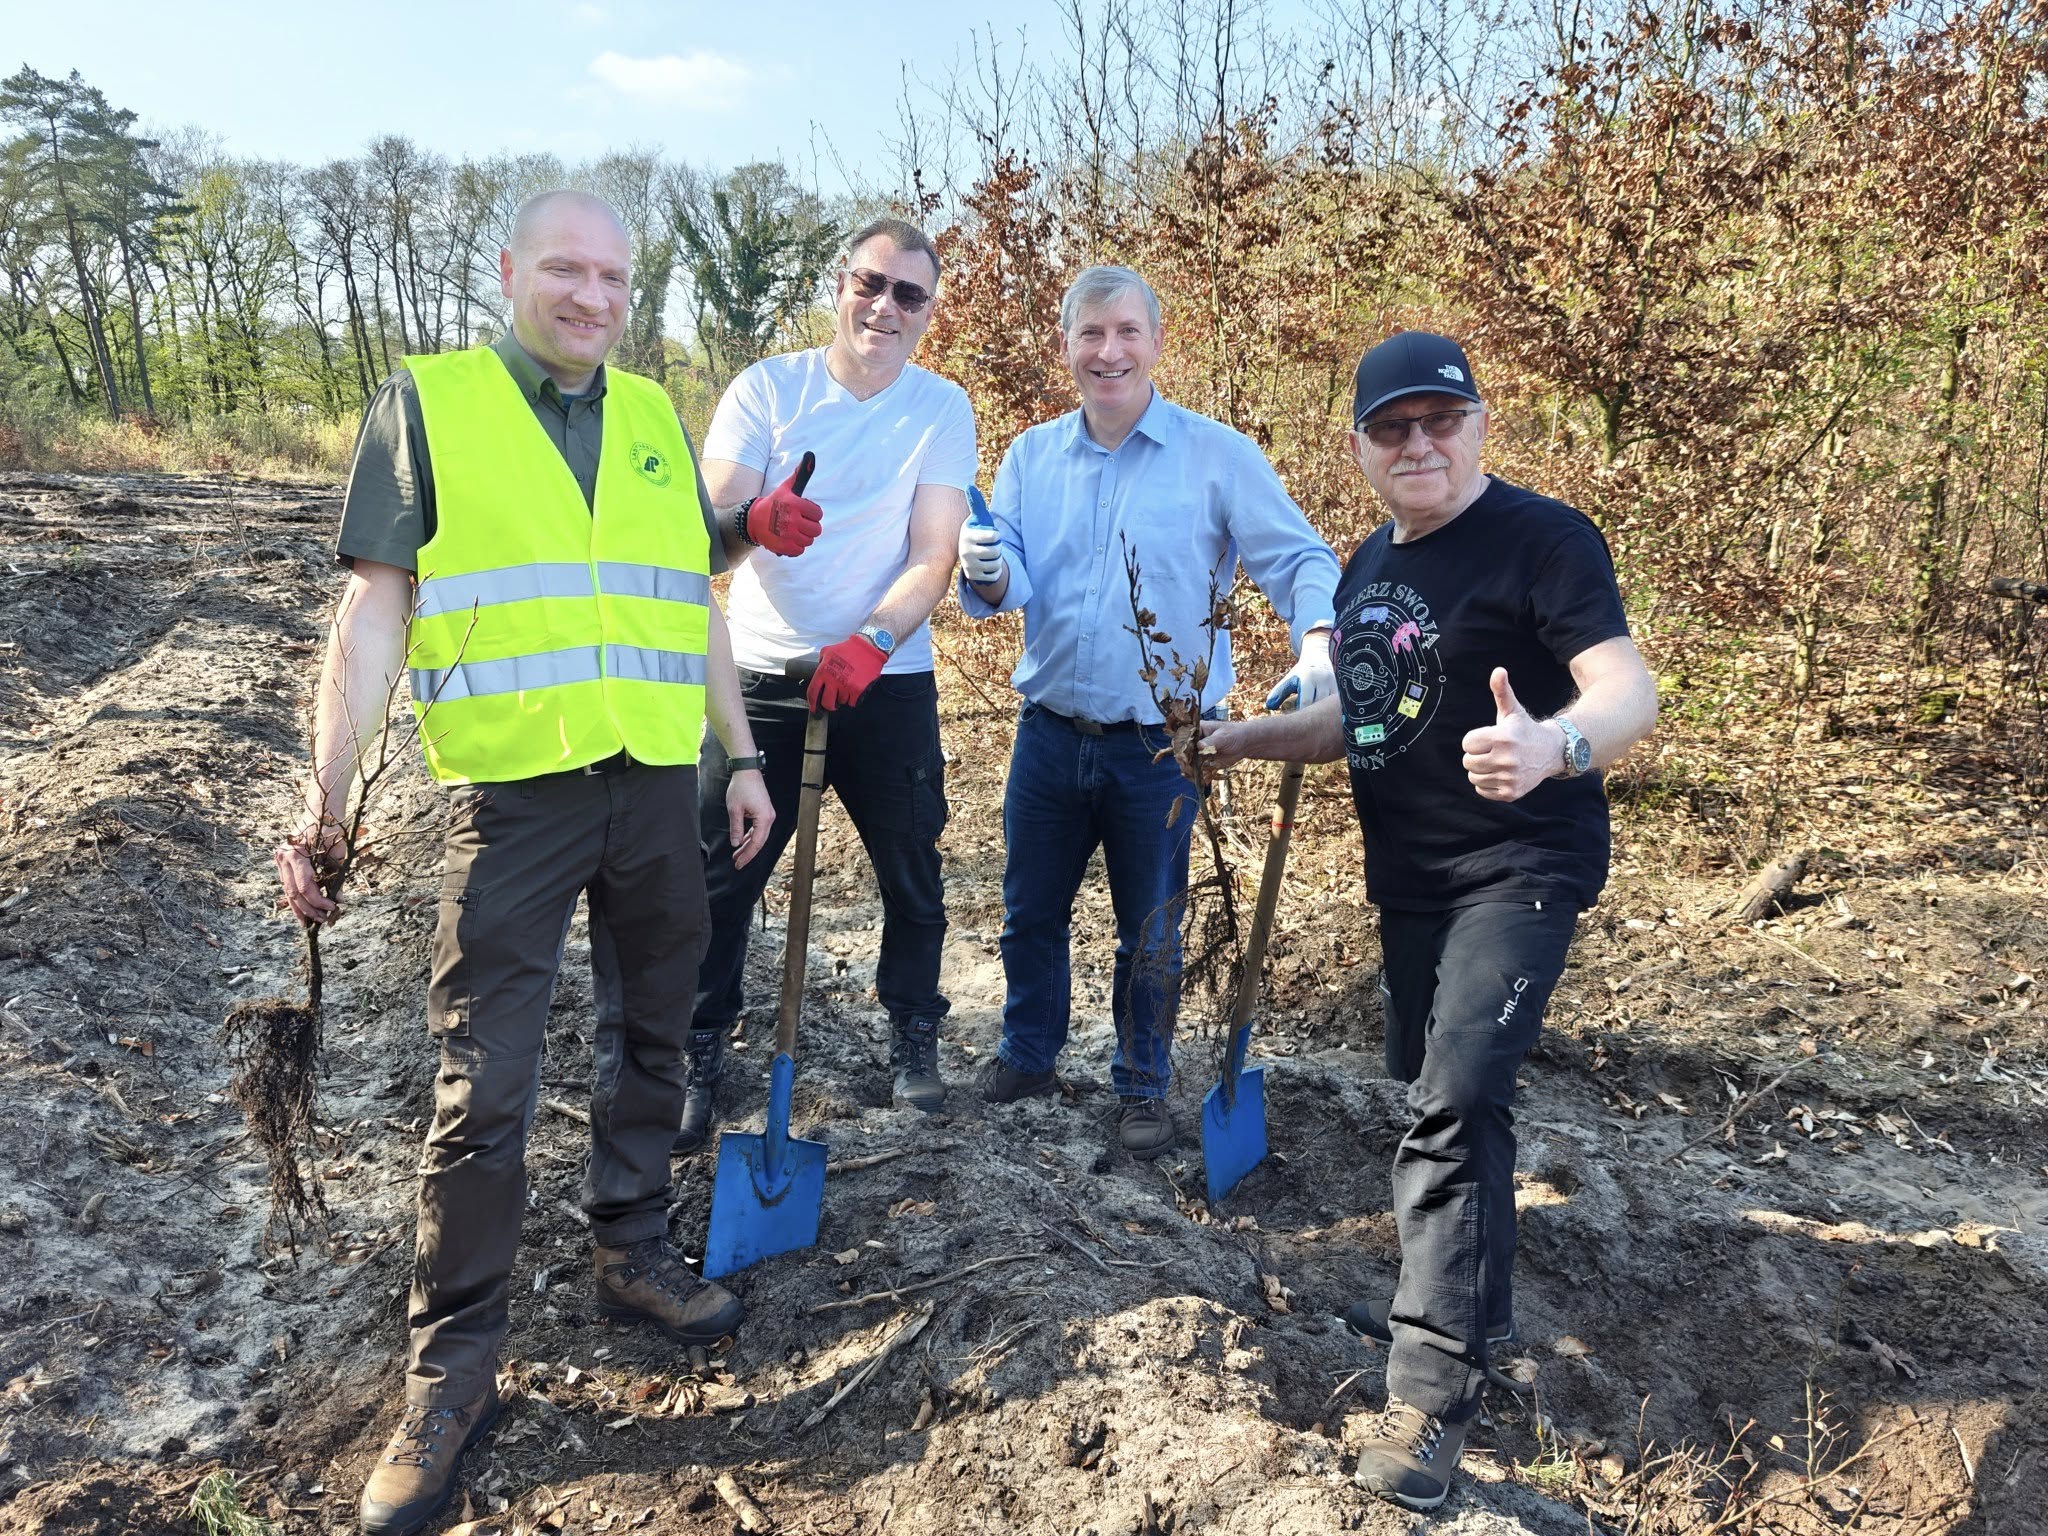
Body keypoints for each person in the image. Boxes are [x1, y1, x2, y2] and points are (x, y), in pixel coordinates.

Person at [272, 190, 775, 1536]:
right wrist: (327, 795)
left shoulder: (659, 424)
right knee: (483, 1084)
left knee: (655, 1037)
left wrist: (738, 757)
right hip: (515, 803)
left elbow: (694, 606)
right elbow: (375, 609)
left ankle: (632, 1250)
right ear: (509, 271)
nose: (593, 297)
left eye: (614, 277)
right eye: (566, 270)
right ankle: (451, 1371)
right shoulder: (429, 405)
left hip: (656, 793)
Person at [1200, 330, 1658, 1510]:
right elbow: (1355, 724)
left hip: (1520, 867)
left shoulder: (1541, 539)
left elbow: (1625, 688)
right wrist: (1241, 739)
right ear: (1358, 447)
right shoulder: (1362, 571)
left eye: (1437, 420)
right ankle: (1471, 1312)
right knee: (1441, 1095)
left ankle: (1429, 1394)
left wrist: (1552, 743)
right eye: (1390, 427)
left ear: (1476, 425)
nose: (1417, 444)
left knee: (1453, 1102)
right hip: (1410, 885)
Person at [956, 265, 1340, 1159]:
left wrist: (1318, 636)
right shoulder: (1030, 456)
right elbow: (1005, 578)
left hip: (1163, 750)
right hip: (1049, 736)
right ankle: (1028, 1056)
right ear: (1066, 349)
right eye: (1090, 334)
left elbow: (1301, 557)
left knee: (1153, 931)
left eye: (1127, 332)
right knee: (1029, 916)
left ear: (1158, 344)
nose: (1108, 351)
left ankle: (1142, 1087)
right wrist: (984, 568)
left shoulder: (1218, 457)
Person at [674, 217, 976, 1153]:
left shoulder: (940, 408)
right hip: (759, 673)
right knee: (719, 876)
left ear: (928, 312)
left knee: (912, 869)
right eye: (869, 284)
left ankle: (913, 1036)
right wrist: (753, 517)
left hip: (883, 678)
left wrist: (875, 638)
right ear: (840, 285)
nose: (884, 307)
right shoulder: (769, 389)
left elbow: (935, 556)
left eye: (908, 294)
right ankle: (697, 1050)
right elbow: (702, 531)